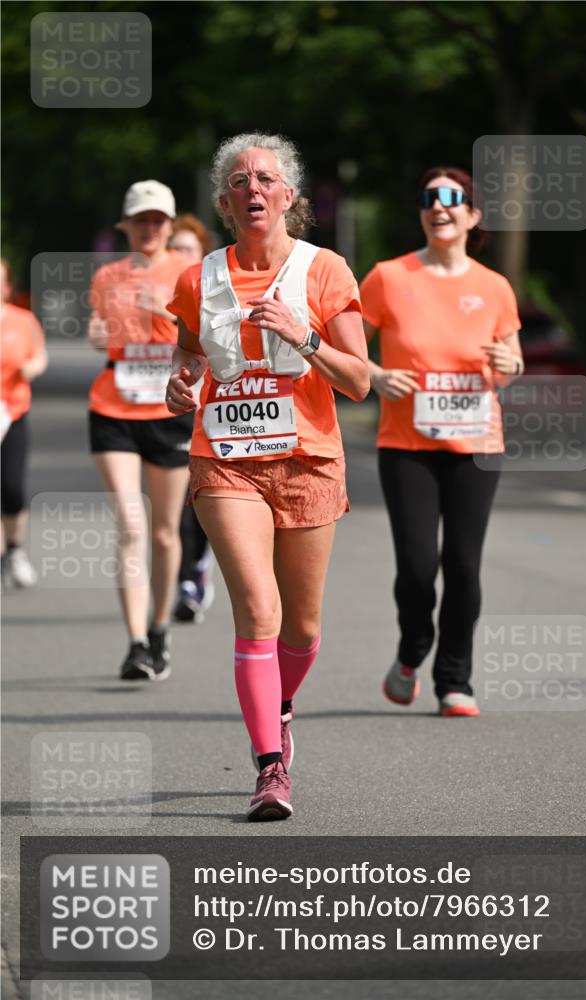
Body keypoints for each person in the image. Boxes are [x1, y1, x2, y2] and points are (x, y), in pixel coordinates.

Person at [165, 132, 369, 821]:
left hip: (307, 459)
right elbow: (188, 359)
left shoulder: (325, 270)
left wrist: (303, 337)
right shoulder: (197, 279)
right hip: (225, 459)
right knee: (259, 611)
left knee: (301, 627)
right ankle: (270, 768)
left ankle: (280, 706)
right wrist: (181, 385)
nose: (253, 188)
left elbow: (359, 383)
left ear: (288, 197)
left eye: (266, 179)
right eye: (240, 181)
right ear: (224, 202)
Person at [360, 166, 524, 717]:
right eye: (430, 198)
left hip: (477, 443)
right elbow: (348, 356)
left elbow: (511, 361)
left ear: (473, 216)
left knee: (463, 565)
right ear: (422, 211)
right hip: (405, 443)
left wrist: (510, 365)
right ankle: (412, 648)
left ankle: (455, 681)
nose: (440, 207)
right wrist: (379, 377)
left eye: (454, 199)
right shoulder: (386, 277)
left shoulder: (494, 287)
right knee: (415, 568)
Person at [87, 180, 193, 681]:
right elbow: (102, 329)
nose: (149, 228)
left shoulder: (190, 273)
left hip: (170, 411)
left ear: (170, 225)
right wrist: (97, 332)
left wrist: (159, 309)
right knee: (131, 526)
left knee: (166, 532)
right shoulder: (108, 275)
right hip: (115, 408)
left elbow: (205, 338)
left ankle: (159, 629)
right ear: (126, 226)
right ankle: (133, 644)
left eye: (158, 220)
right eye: (141, 220)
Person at [168, 215, 216, 623]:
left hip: (208, 409)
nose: (180, 256)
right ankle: (186, 578)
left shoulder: (210, 288)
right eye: (175, 248)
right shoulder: (148, 288)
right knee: (175, 507)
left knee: (197, 497)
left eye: (188, 249)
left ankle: (198, 564)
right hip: (157, 408)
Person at [1, 258, 48, 587]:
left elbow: (40, 354)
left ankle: (14, 549)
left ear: (7, 286)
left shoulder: (23, 320)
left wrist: (33, 368)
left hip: (12, 412)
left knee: (12, 487)